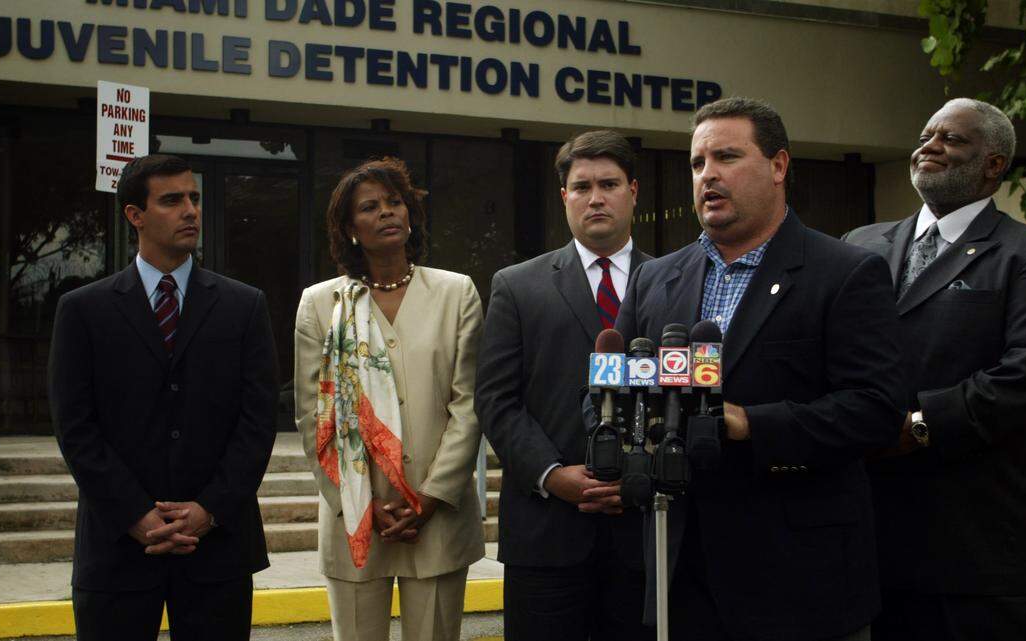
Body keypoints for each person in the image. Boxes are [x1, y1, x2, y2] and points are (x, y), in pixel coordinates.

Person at [615, 97, 907, 641]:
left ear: (778, 166)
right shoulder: (655, 279)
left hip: (799, 581)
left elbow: (877, 410)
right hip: (680, 574)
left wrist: (752, 423)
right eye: (698, 163)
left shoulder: (845, 272)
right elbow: (609, 386)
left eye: (727, 156)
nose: (709, 175)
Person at [843, 98, 1026, 641]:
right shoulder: (858, 247)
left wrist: (918, 426)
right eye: (926, 134)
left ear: (994, 165)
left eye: (951, 139)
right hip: (870, 549)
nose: (928, 146)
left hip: (980, 557)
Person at [48, 154, 279, 639]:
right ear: (135, 215)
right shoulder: (82, 311)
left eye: (194, 198)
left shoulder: (244, 306)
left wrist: (208, 509)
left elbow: (257, 423)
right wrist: (135, 514)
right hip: (117, 546)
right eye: (172, 200)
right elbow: (75, 426)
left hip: (217, 549)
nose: (190, 210)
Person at [293, 157, 485, 641]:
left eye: (395, 202)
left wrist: (431, 497)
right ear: (348, 227)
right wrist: (356, 503)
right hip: (356, 520)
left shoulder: (455, 293)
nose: (386, 213)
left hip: (438, 520)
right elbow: (312, 418)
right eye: (370, 207)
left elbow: (469, 406)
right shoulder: (321, 305)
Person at [476, 130, 654, 641]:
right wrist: (552, 474)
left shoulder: (673, 279)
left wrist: (641, 476)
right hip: (546, 532)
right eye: (581, 187)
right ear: (564, 198)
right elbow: (495, 399)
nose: (595, 197)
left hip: (643, 529)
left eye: (609, 184)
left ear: (633, 191)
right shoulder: (517, 284)